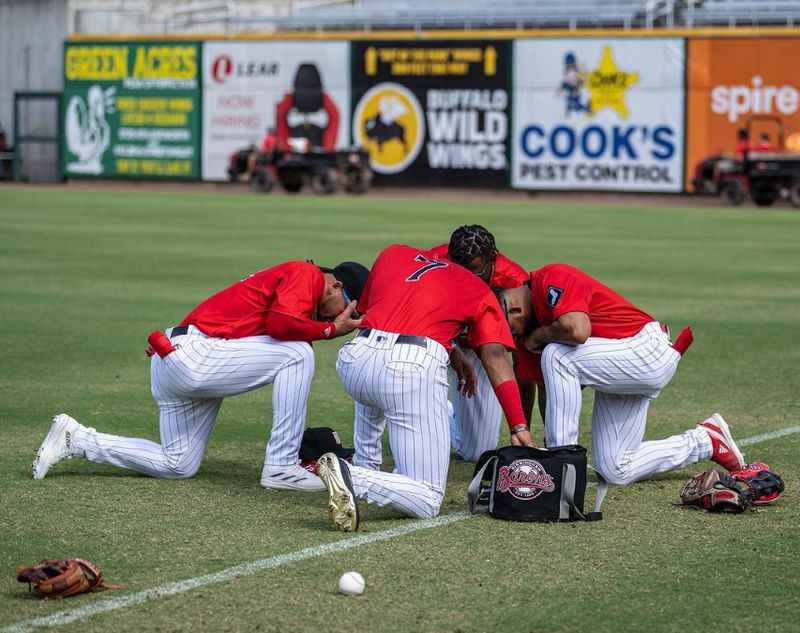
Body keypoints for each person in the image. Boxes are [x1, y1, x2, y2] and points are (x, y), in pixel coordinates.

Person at [32, 260, 369, 491]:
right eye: (349, 308)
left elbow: (228, 320)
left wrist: (177, 349)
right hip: (194, 357)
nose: (346, 318)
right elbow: (281, 326)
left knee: (177, 463)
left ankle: (75, 438)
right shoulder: (306, 273)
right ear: (336, 285)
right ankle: (282, 466)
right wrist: (328, 330)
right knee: (298, 354)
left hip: (178, 358)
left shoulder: (288, 285)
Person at [314, 244, 536, 532]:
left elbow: (377, 311)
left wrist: (453, 351)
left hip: (356, 355)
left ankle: (364, 469)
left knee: (374, 388)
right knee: (428, 499)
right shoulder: (477, 287)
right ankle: (353, 476)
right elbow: (495, 358)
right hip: (410, 365)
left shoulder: (395, 253)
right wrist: (519, 426)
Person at [493, 262, 746, 488]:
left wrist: (540, 336)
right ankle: (705, 440)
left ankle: (561, 469)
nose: (511, 338)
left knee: (556, 354)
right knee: (615, 469)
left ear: (515, 308)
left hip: (646, 350)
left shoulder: (552, 277)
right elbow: (546, 388)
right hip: (621, 371)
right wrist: (532, 440)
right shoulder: (527, 332)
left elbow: (577, 330)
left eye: (508, 330)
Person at [424, 225, 534, 461]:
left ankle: (444, 412)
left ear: (491, 259)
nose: (465, 276)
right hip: (437, 340)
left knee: (477, 452)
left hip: (483, 350)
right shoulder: (434, 260)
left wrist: (522, 426)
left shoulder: (515, 282)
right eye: (459, 268)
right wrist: (450, 348)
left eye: (473, 269)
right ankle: (419, 408)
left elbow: (521, 363)